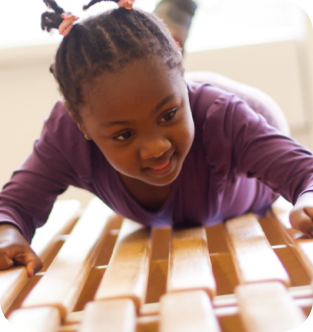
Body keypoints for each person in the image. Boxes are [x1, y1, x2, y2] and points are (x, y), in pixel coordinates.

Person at [1, 0, 313, 279]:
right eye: (124, 134)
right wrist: (7, 234)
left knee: (164, 79)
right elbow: (14, 206)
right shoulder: (68, 137)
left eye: (167, 116)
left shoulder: (224, 120)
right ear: (81, 124)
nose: (157, 147)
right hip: (172, 92)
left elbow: (306, 175)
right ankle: (172, 24)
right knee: (153, 84)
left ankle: (174, 29)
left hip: (249, 112)